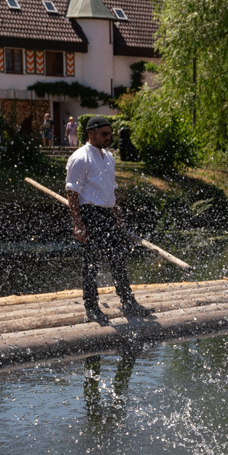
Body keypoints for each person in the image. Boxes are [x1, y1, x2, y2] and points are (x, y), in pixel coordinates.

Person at [65, 116, 148, 324]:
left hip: (108, 214)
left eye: (110, 134)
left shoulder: (109, 157)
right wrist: (79, 224)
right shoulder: (80, 157)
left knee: (118, 259)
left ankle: (128, 301)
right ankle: (91, 307)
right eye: (104, 134)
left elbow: (113, 189)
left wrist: (118, 216)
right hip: (90, 214)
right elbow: (72, 193)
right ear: (91, 133)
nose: (108, 138)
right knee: (91, 263)